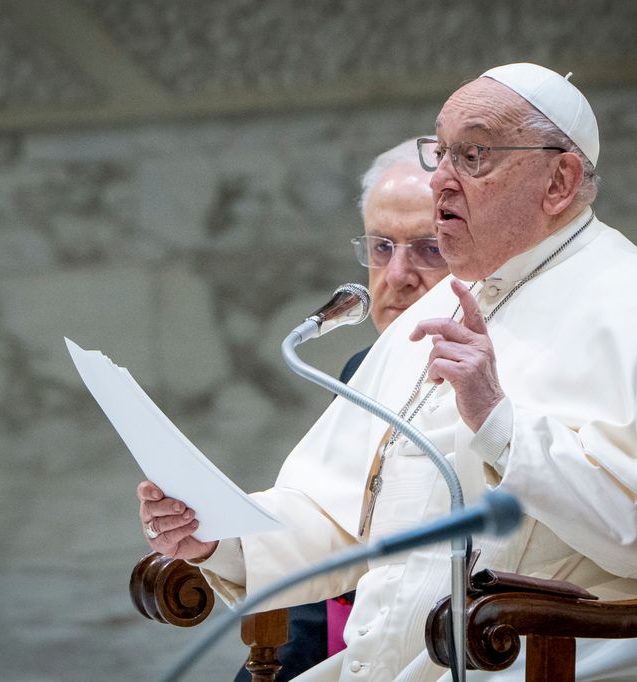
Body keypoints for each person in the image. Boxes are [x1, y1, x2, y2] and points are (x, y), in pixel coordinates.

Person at [138, 63, 637, 681]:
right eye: (441, 155)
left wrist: (498, 420)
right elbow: (335, 511)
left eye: (472, 156)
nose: (441, 181)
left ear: (559, 183)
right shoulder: (441, 306)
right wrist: (216, 534)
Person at [233, 138, 450, 681]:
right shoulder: (362, 368)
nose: (396, 276)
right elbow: (323, 552)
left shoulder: (509, 375)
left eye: (429, 249)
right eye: (381, 247)